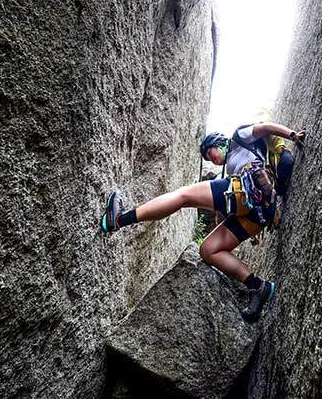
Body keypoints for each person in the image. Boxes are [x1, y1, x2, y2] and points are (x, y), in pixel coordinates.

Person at [101, 122, 305, 322]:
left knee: (183, 196)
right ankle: (257, 286)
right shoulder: (231, 170)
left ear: (219, 142)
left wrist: (292, 135)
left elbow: (265, 127)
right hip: (260, 213)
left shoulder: (238, 137)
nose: (213, 160)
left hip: (248, 188)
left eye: (210, 153)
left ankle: (119, 219)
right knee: (208, 249)